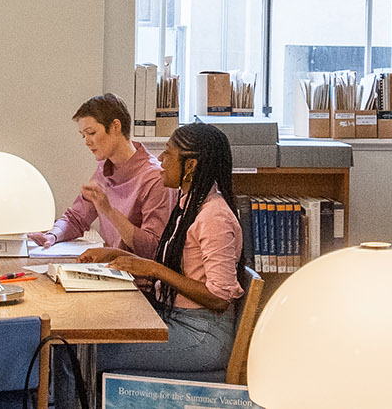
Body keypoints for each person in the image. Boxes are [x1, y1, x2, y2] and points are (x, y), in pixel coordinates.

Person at [52, 123, 249, 408]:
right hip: (178, 320)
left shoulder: (214, 217)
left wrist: (155, 270)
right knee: (72, 344)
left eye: (169, 154)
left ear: (190, 165)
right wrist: (113, 254)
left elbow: (219, 298)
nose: (162, 161)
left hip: (201, 336)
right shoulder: (188, 205)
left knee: (71, 353)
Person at [29, 94, 173, 260]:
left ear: (115, 127)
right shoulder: (105, 168)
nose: (87, 142)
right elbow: (77, 217)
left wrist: (109, 211)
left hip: (138, 281)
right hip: (109, 269)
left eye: (91, 133)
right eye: (83, 135)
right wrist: (52, 235)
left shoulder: (154, 178)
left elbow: (153, 248)